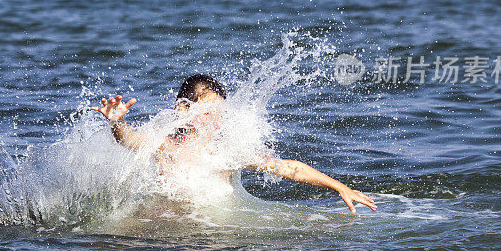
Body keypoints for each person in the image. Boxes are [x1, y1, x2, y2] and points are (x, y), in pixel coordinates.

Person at [91, 74, 377, 214]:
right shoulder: (167, 146)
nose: (217, 117)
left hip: (213, 226)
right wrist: (117, 123)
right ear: (184, 109)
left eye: (220, 110)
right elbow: (129, 140)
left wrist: (340, 187)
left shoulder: (226, 152)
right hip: (168, 223)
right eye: (209, 109)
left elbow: (288, 168)